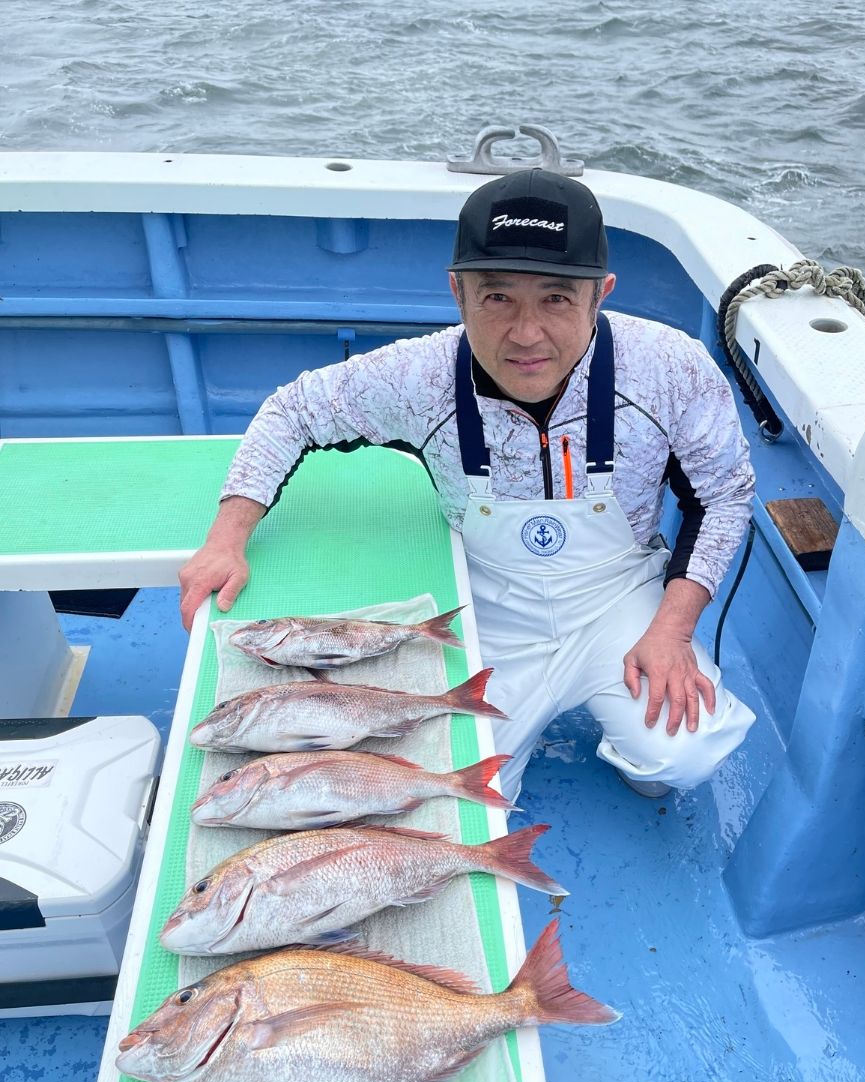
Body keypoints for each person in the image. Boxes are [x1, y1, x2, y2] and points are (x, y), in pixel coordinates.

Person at [178, 168, 755, 801]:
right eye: (497, 296)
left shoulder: (671, 367)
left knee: (684, 752)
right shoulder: (418, 376)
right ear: (458, 292)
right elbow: (291, 411)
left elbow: (723, 494)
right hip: (488, 607)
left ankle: (637, 746)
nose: (526, 333)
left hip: (619, 597)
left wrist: (672, 630)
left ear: (600, 295)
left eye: (557, 298)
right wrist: (226, 539)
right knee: (451, 787)